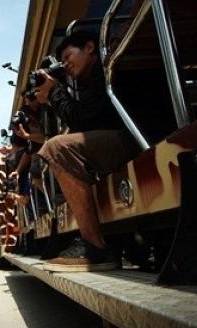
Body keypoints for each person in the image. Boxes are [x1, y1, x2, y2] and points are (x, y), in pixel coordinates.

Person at [34, 30, 139, 272]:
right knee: (61, 147)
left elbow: (83, 121)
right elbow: (86, 122)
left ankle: (95, 247)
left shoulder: (107, 65)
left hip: (137, 136)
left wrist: (54, 93)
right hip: (124, 138)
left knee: (57, 147)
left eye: (68, 56)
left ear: (89, 47)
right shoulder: (90, 79)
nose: (66, 64)